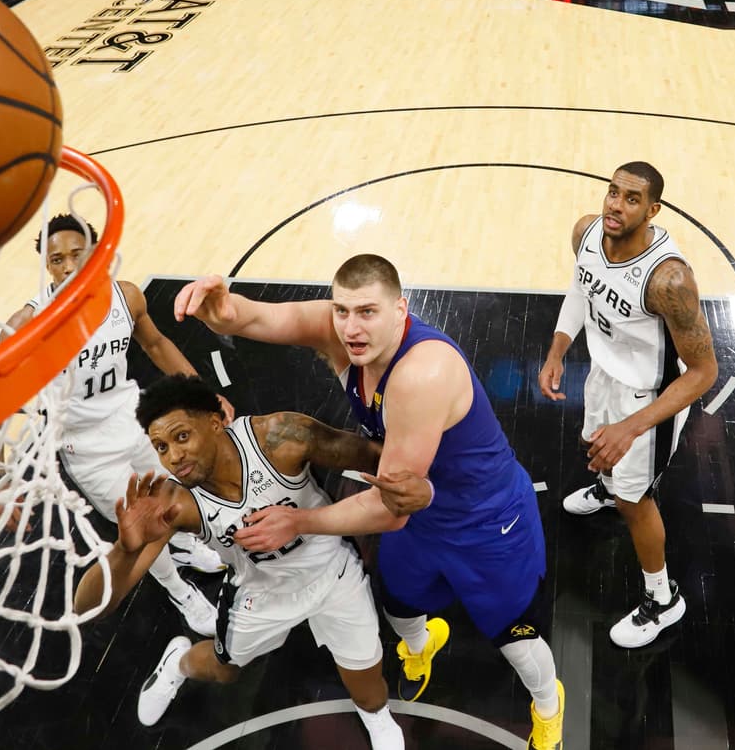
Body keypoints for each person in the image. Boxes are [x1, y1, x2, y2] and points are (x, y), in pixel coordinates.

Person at [175, 255, 565, 750]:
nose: (351, 328)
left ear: (401, 309)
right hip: (416, 510)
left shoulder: (422, 373)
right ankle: (423, 647)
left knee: (514, 635)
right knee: (399, 599)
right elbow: (258, 317)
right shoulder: (340, 332)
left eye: (367, 312)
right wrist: (222, 309)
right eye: (342, 311)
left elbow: (388, 513)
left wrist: (299, 521)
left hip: (484, 520)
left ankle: (548, 705)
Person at [74, 375, 404, 749]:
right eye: (161, 447)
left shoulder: (280, 437)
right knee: (222, 671)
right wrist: (124, 549)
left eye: (182, 437)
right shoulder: (175, 503)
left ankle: (377, 720)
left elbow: (374, 457)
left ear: (215, 423)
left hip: (335, 573)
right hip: (261, 594)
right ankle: (178, 661)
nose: (174, 457)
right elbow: (89, 609)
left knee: (370, 689)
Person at [0, 214, 234, 637]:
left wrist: (200, 393)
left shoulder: (125, 296)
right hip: (87, 449)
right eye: (56, 259)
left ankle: (188, 546)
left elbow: (156, 344)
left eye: (76, 255)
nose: (66, 267)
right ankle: (179, 590)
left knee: (172, 496)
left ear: (97, 254)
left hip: (135, 421)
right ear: (47, 266)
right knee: (142, 523)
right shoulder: (26, 325)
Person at [537, 161, 717, 648]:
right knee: (594, 447)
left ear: (653, 209)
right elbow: (581, 287)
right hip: (604, 375)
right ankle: (606, 489)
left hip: (649, 401)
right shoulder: (587, 233)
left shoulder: (669, 281)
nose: (616, 205)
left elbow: (704, 373)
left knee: (636, 501)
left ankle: (663, 599)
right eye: (613, 192)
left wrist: (632, 427)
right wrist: (558, 347)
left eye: (632, 198)